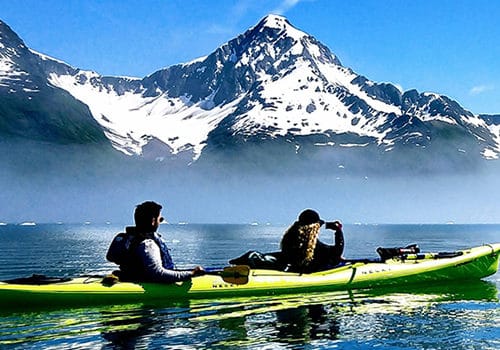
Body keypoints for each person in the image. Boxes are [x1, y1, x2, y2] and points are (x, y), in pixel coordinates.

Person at [106, 201, 204, 282]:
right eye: (160, 219)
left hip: (129, 277)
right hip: (148, 282)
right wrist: (190, 274)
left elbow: (110, 257)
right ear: (153, 221)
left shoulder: (125, 238)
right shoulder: (148, 244)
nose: (160, 222)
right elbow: (158, 274)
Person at [280, 209, 344, 273]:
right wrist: (338, 231)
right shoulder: (316, 247)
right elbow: (337, 252)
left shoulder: (290, 238)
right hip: (307, 272)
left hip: (292, 269)